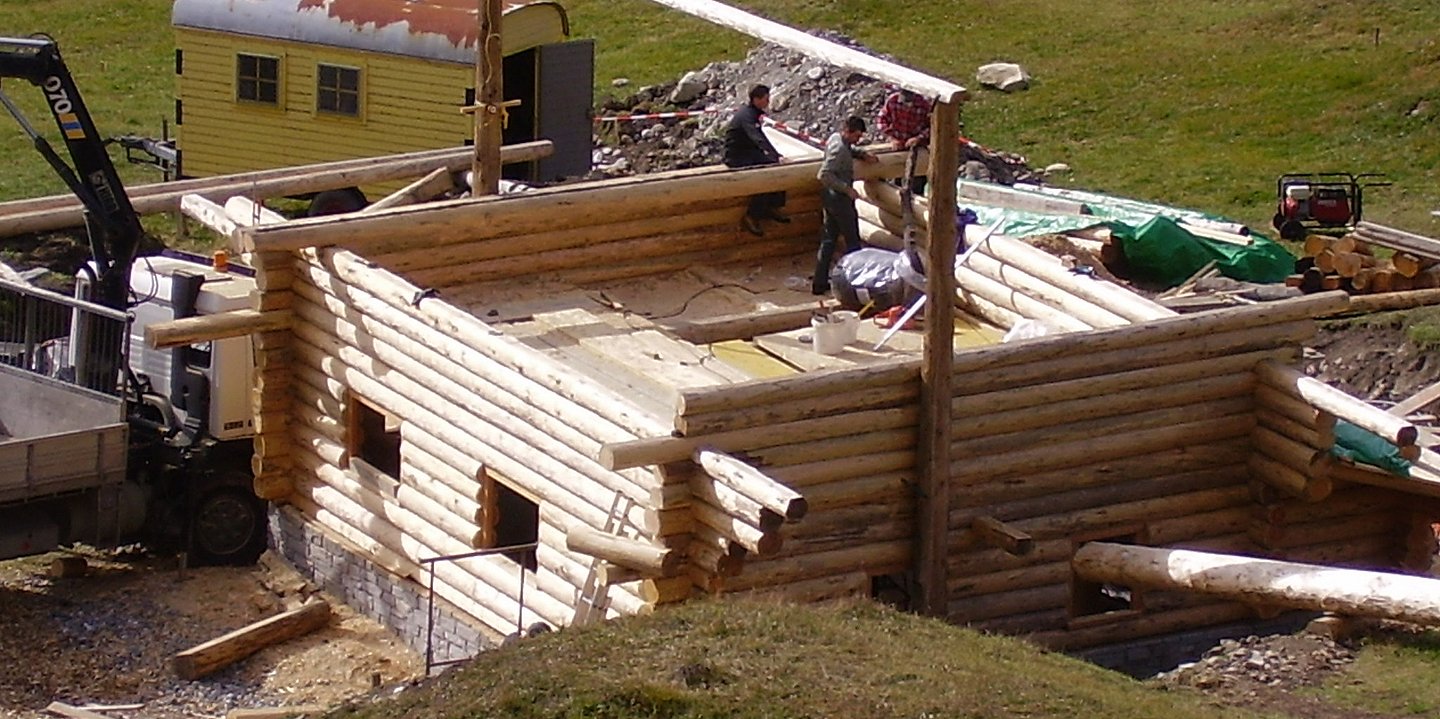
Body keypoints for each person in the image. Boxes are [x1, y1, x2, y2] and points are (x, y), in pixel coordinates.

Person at [813, 115, 879, 295]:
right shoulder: (840, 150)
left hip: (830, 197)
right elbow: (824, 174)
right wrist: (846, 189)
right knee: (853, 243)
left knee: (829, 240)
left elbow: (849, 148)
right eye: (856, 136)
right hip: (839, 199)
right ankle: (855, 284)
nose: (858, 139)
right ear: (848, 132)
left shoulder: (836, 138)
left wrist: (862, 154)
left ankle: (819, 284)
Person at [723, 84, 787, 236]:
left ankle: (771, 206)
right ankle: (752, 215)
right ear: (756, 99)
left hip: (748, 152)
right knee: (764, 177)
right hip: (737, 157)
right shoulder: (747, 116)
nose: (768, 101)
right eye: (766, 98)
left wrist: (775, 155)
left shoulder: (752, 113)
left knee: (775, 169)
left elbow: (760, 138)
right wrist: (775, 155)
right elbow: (757, 138)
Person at [875, 88, 933, 195]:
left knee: (916, 182)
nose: (906, 105)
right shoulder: (892, 101)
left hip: (917, 149)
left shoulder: (924, 105)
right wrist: (892, 138)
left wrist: (918, 138)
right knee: (898, 178)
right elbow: (881, 121)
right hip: (899, 147)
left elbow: (932, 127)